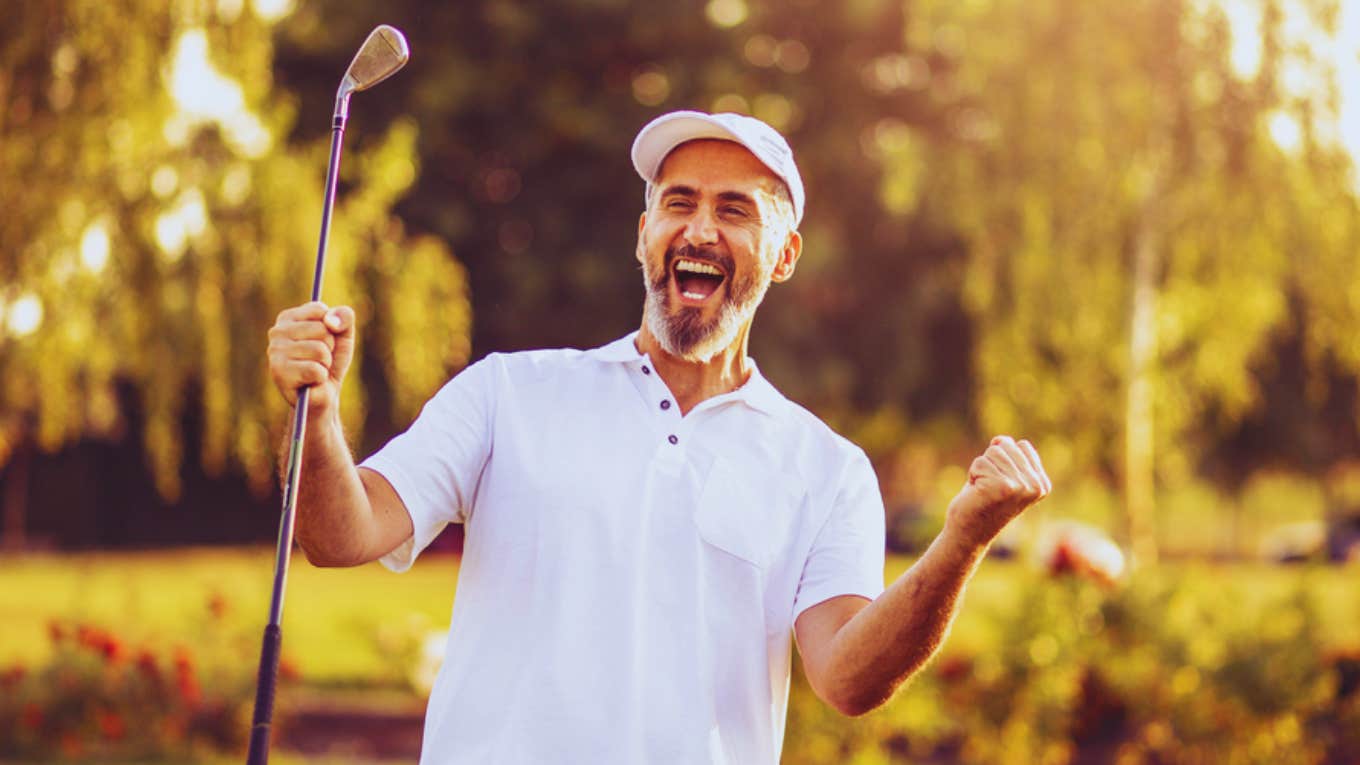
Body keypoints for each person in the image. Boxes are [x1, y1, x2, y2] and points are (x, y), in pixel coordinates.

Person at [265, 110, 1051, 764]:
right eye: (679, 203)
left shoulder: (826, 469)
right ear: (645, 235)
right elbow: (342, 532)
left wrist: (961, 541)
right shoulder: (510, 392)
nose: (699, 228)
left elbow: (847, 678)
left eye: (735, 209)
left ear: (784, 255)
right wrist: (318, 415)